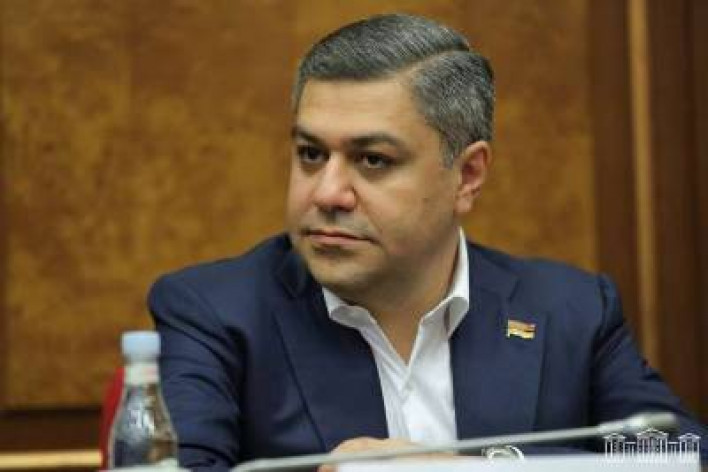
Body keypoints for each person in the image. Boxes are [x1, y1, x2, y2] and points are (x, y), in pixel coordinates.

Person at [148, 13, 707, 471]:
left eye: (373, 160)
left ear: (467, 175)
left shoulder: (570, 311)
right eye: (311, 154)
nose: (327, 192)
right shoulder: (216, 313)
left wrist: (464, 470)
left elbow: (682, 456)